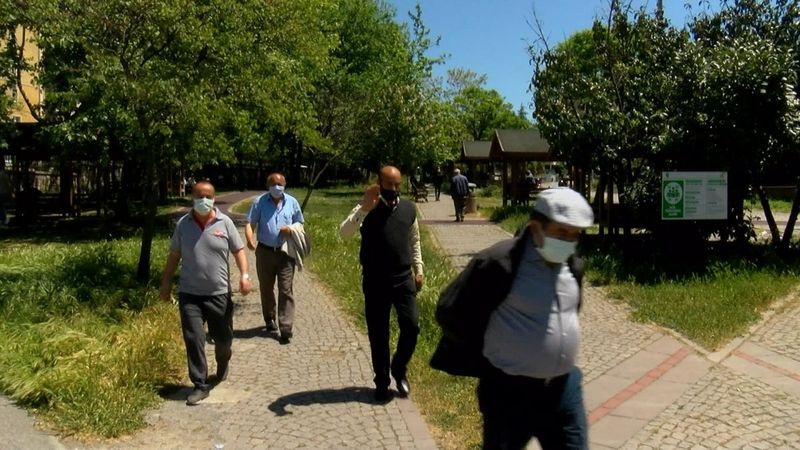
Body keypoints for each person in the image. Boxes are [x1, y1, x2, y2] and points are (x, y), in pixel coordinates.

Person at [430, 187, 594, 449]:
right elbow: (450, 310)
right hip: (510, 393)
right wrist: (486, 357)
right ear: (535, 227)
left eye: (575, 234)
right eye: (561, 232)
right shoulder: (498, 263)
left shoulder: (573, 265)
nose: (569, 241)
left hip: (563, 389)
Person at [160, 180, 252, 405]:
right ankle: (200, 384)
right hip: (190, 294)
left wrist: (244, 275)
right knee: (194, 338)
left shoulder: (225, 222)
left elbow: (239, 250)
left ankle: (223, 361)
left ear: (213, 198)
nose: (204, 200)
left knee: (223, 339)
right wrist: (165, 282)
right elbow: (174, 255)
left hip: (218, 293)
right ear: (193, 198)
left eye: (208, 196)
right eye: (199, 196)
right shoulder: (183, 224)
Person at [339, 165, 424, 402]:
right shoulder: (366, 207)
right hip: (376, 280)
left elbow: (414, 239)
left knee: (412, 326)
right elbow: (344, 233)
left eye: (398, 185)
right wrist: (365, 208)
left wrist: (419, 268)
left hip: (402, 278)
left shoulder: (408, 209)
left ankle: (399, 368)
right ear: (379, 183)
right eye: (390, 185)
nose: (395, 190)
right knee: (379, 334)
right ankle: (382, 382)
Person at [245, 172, 304, 344]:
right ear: (267, 185)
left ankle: (285, 327)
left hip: (286, 252)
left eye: (280, 183)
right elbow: (251, 223)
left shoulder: (292, 202)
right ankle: (269, 318)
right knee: (266, 288)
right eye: (273, 183)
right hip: (265, 252)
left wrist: (291, 228)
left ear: (285, 184)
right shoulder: (259, 202)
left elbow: (300, 222)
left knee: (286, 289)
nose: (277, 186)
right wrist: (249, 238)